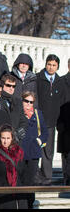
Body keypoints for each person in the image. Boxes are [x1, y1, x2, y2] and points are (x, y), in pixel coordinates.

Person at [36, 54, 67, 186]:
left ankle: (47, 177)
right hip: (37, 121)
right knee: (35, 149)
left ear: (57, 66)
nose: (51, 67)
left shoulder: (60, 82)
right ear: (45, 64)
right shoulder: (38, 78)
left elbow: (62, 102)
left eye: (54, 65)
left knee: (48, 151)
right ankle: (35, 176)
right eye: (49, 64)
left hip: (51, 123)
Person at [0, 124, 27, 209]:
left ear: (12, 138)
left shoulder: (19, 152)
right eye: (3, 138)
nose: (5, 141)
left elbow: (23, 172)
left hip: (18, 195)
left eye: (8, 138)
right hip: (1, 195)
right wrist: (6, 187)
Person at [21, 91, 48, 208]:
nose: (28, 104)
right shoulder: (18, 112)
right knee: (21, 180)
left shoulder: (38, 114)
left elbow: (45, 132)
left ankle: (29, 205)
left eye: (31, 102)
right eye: (26, 101)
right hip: (20, 152)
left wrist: (39, 140)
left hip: (33, 152)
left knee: (30, 182)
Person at [0, 74, 28, 142]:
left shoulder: (18, 102)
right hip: (0, 139)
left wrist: (17, 134)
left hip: (15, 140)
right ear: (2, 85)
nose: (11, 88)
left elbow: (23, 120)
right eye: (8, 85)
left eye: (13, 86)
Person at [58, 58, 70, 185]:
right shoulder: (62, 81)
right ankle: (67, 181)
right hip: (65, 123)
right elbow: (58, 104)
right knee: (66, 155)